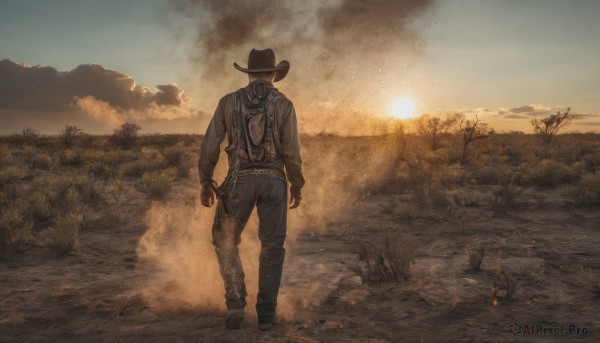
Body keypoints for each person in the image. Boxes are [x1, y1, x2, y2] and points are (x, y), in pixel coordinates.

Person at [198, 48, 304, 331]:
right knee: (272, 245)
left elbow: (210, 145)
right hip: (274, 181)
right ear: (273, 74)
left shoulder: (228, 102)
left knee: (224, 239)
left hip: (238, 181)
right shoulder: (285, 104)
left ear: (249, 73)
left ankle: (235, 303)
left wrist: (205, 180)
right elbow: (292, 151)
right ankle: (266, 314)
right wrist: (297, 183)